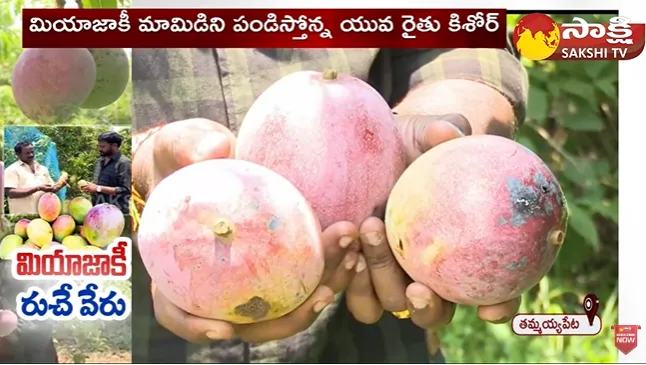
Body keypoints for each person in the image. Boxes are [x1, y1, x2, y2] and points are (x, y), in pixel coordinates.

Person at [130, 45, 528, 363]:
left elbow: (463, 42)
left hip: (370, 336)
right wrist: (133, 168)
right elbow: (73, 91)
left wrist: (426, 154)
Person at [80, 131, 132, 217]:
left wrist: (98, 188)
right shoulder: (99, 162)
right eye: (99, 146)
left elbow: (125, 191)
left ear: (114, 146)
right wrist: (89, 188)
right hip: (97, 212)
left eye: (103, 146)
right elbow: (98, 185)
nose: (99, 149)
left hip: (115, 214)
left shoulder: (124, 163)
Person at [4, 142, 63, 215]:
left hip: (43, 216)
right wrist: (38, 188)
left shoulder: (43, 169)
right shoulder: (12, 170)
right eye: (27, 153)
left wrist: (61, 184)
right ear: (17, 154)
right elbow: (11, 193)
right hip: (22, 217)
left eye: (32, 152)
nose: (31, 155)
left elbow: (52, 189)